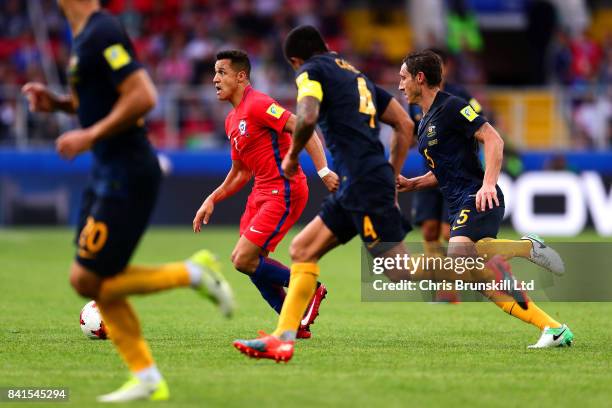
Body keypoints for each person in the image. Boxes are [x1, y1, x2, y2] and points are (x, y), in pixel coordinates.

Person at [232, 26, 531, 363]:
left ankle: (485, 272)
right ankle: (282, 339)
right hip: (359, 182)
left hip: (360, 181)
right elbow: (404, 124)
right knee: (302, 248)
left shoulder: (310, 72)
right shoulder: (355, 75)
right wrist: (390, 172)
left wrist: (291, 157)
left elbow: (308, 114)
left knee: (398, 269)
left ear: (296, 60)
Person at [22, 0, 234, 402]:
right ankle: (147, 375)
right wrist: (60, 103)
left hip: (128, 170)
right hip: (104, 172)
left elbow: (143, 96)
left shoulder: (102, 31)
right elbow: (98, 103)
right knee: (93, 280)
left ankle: (192, 274)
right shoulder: (83, 38)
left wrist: (88, 136)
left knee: (85, 279)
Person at [396, 50, 573, 349]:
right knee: (485, 283)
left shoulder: (452, 107)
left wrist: (488, 184)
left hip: (476, 197)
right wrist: (413, 184)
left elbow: (494, 139)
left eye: (403, 78)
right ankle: (553, 328)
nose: (400, 85)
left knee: (457, 260)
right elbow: (445, 171)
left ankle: (527, 247)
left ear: (420, 78)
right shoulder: (425, 122)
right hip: (458, 204)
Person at [193, 50, 338, 338]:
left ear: (241, 76)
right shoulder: (232, 120)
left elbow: (304, 127)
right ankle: (292, 323)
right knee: (247, 262)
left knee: (243, 259)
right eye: (215, 72)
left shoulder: (258, 104)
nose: (215, 79)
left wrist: (322, 170)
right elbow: (240, 172)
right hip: (260, 191)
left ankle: (308, 288)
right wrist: (212, 198)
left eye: (221, 72)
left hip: (283, 189)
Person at [408, 47, 482, 303]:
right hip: (429, 170)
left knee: (449, 232)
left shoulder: (459, 98)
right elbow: (412, 134)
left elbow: (480, 126)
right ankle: (443, 286)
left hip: (456, 174)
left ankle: (450, 288)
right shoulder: (416, 103)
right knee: (429, 230)